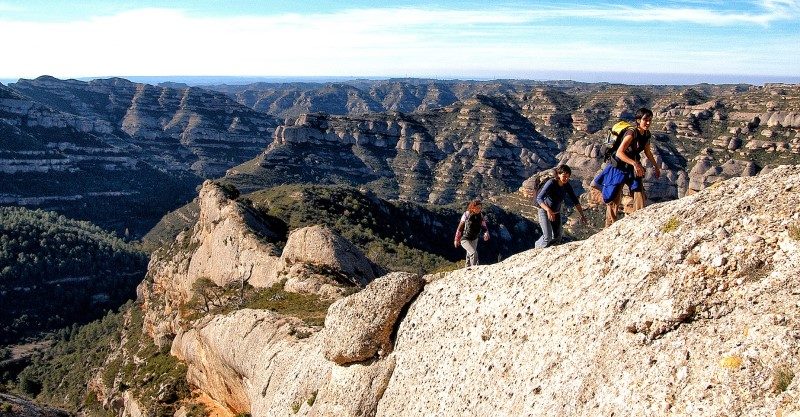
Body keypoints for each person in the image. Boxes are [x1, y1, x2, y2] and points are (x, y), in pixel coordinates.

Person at [596, 107, 661, 227]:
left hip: (631, 167)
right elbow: (620, 152)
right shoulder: (631, 133)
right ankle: (609, 227)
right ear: (638, 120)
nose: (648, 123)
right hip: (618, 167)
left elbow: (647, 152)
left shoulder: (646, 134)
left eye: (650, 120)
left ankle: (639, 221)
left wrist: (656, 166)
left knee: (639, 193)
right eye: (645, 120)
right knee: (613, 198)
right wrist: (635, 164)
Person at [535, 165, 587, 248]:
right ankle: (537, 248)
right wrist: (548, 210)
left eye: (568, 177)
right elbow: (539, 198)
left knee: (557, 238)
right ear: (558, 175)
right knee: (547, 237)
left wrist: (582, 215)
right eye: (564, 176)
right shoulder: (551, 183)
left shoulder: (566, 185)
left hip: (556, 213)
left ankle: (548, 253)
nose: (566, 178)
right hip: (544, 211)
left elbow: (575, 200)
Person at [454, 199, 489, 267]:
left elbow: (484, 226)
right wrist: (456, 239)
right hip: (465, 239)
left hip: (475, 238)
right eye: (477, 208)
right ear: (472, 207)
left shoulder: (481, 216)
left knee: (469, 253)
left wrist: (486, 233)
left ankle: (467, 268)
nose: (479, 209)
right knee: (473, 253)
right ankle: (475, 268)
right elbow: (460, 228)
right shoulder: (466, 215)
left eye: (480, 208)